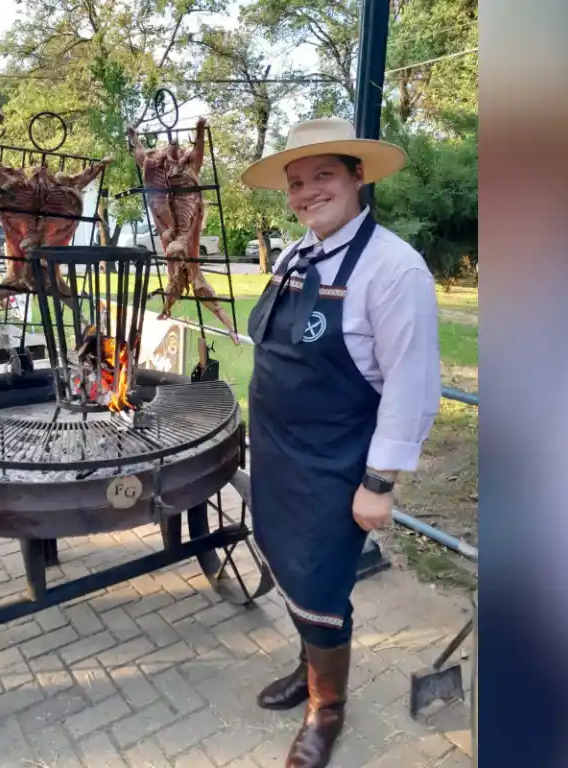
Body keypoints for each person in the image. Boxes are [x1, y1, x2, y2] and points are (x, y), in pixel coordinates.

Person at [239, 118, 442, 768]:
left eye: (322, 175)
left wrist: (380, 482)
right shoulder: (300, 254)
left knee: (322, 587)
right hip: (276, 456)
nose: (306, 192)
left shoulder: (392, 269)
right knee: (290, 570)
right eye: (297, 182)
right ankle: (309, 669)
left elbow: (412, 384)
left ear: (358, 177)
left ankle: (327, 710)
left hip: (333, 467)